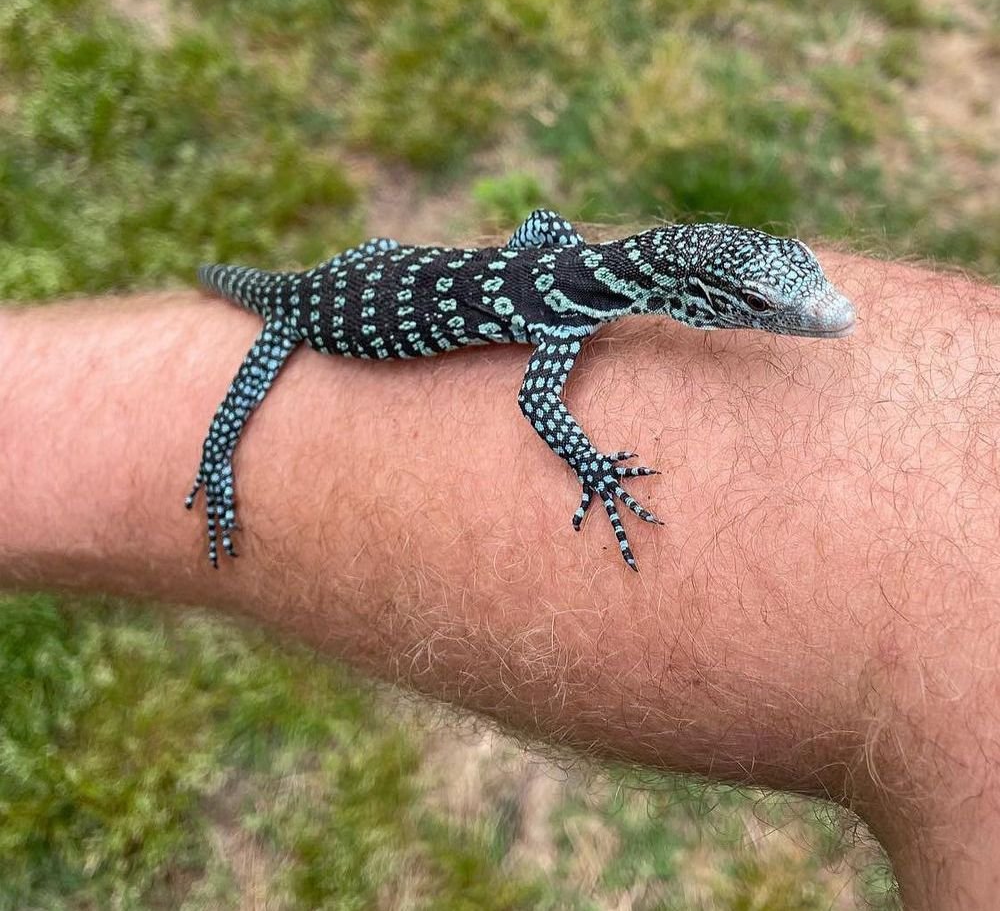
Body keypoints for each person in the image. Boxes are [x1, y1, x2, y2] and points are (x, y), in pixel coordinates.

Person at [1, 246, 997, 909]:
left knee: (304, 292)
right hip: (317, 307)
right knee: (266, 338)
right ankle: (215, 458)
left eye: (789, 290)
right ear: (696, 297)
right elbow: (537, 402)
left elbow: (542, 237)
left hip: (372, 266)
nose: (817, 315)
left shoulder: (572, 270)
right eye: (767, 307)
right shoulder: (563, 303)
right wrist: (597, 468)